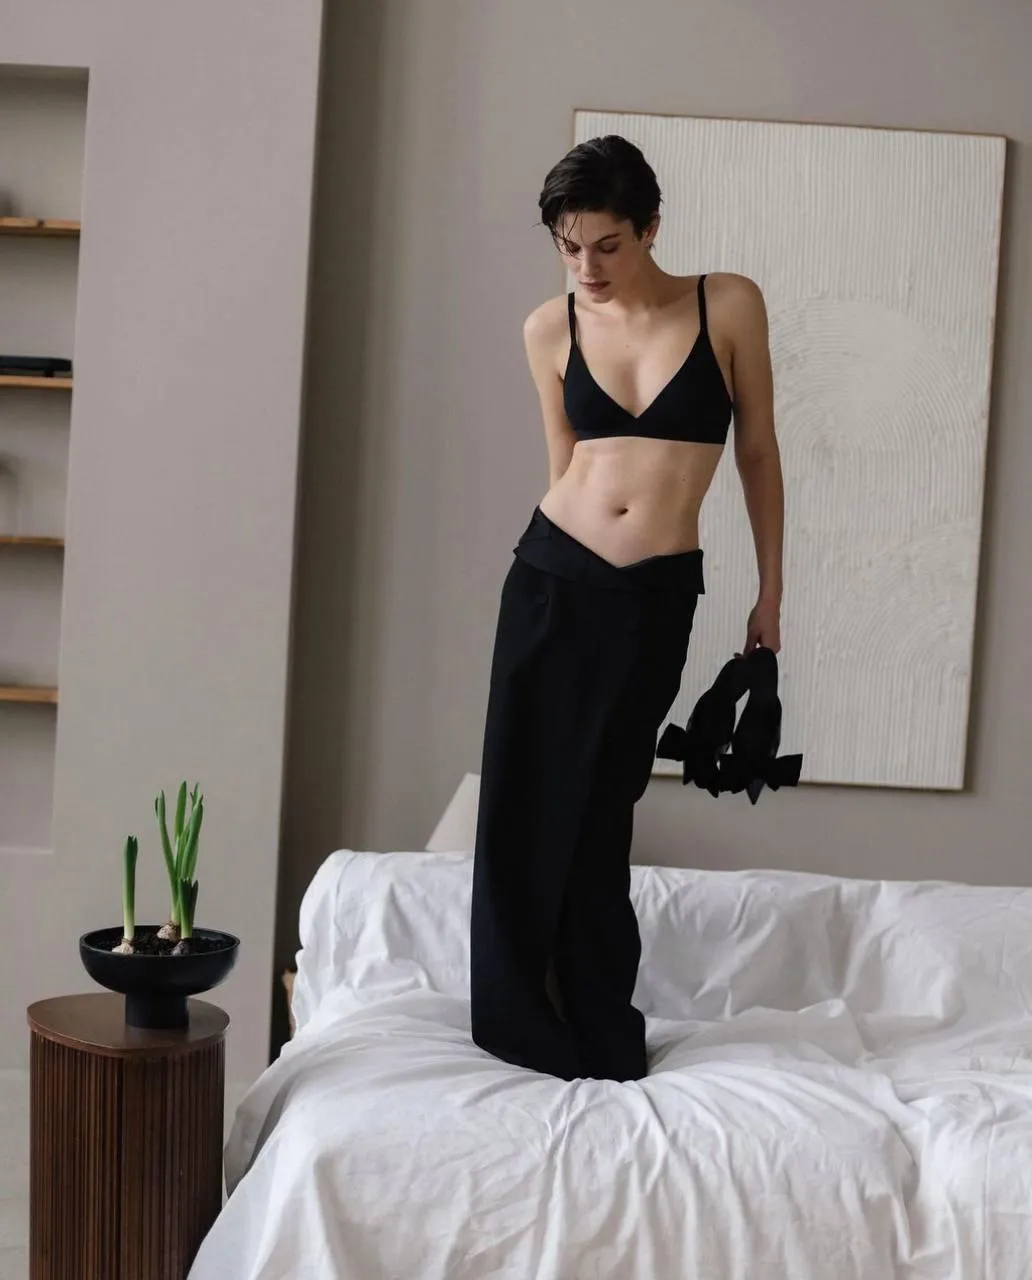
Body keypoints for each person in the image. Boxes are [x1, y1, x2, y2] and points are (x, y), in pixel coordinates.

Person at [469, 134, 786, 1083]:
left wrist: (772, 594)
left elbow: (759, 453)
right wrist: (549, 575)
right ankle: (521, 1026)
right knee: (522, 797)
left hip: (651, 596)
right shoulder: (548, 326)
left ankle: (602, 1024)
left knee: (603, 804)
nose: (586, 267)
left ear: (651, 228)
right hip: (550, 578)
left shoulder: (725, 304)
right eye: (568, 247)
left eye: (605, 244)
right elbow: (562, 464)